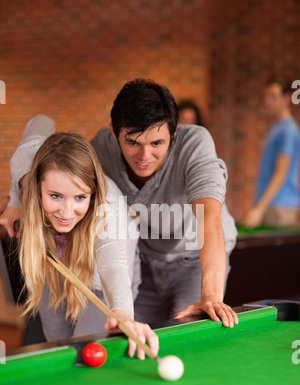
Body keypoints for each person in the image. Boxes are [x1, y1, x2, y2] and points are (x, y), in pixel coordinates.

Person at [2, 78, 238, 329]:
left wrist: (211, 296)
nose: (145, 157)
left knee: (194, 336)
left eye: (157, 143)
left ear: (174, 133)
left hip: (193, 260)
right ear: (114, 132)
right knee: (128, 336)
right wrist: (19, 197)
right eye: (133, 142)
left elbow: (209, 217)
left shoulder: (196, 144)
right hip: (144, 259)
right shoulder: (101, 149)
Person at [5, 127, 159, 360]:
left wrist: (124, 315)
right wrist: (16, 199)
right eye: (55, 195)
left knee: (85, 352)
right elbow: (41, 121)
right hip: (55, 267)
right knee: (57, 346)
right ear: (37, 186)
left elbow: (113, 266)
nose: (66, 212)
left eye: (80, 197)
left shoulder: (110, 212)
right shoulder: (25, 168)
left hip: (100, 283)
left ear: (93, 193)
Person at [244, 75, 300, 228]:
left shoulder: (288, 130)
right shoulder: (276, 127)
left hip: (279, 206)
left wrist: (259, 209)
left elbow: (281, 173)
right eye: (266, 96)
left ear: (287, 97)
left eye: (273, 96)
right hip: (270, 204)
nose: (267, 101)